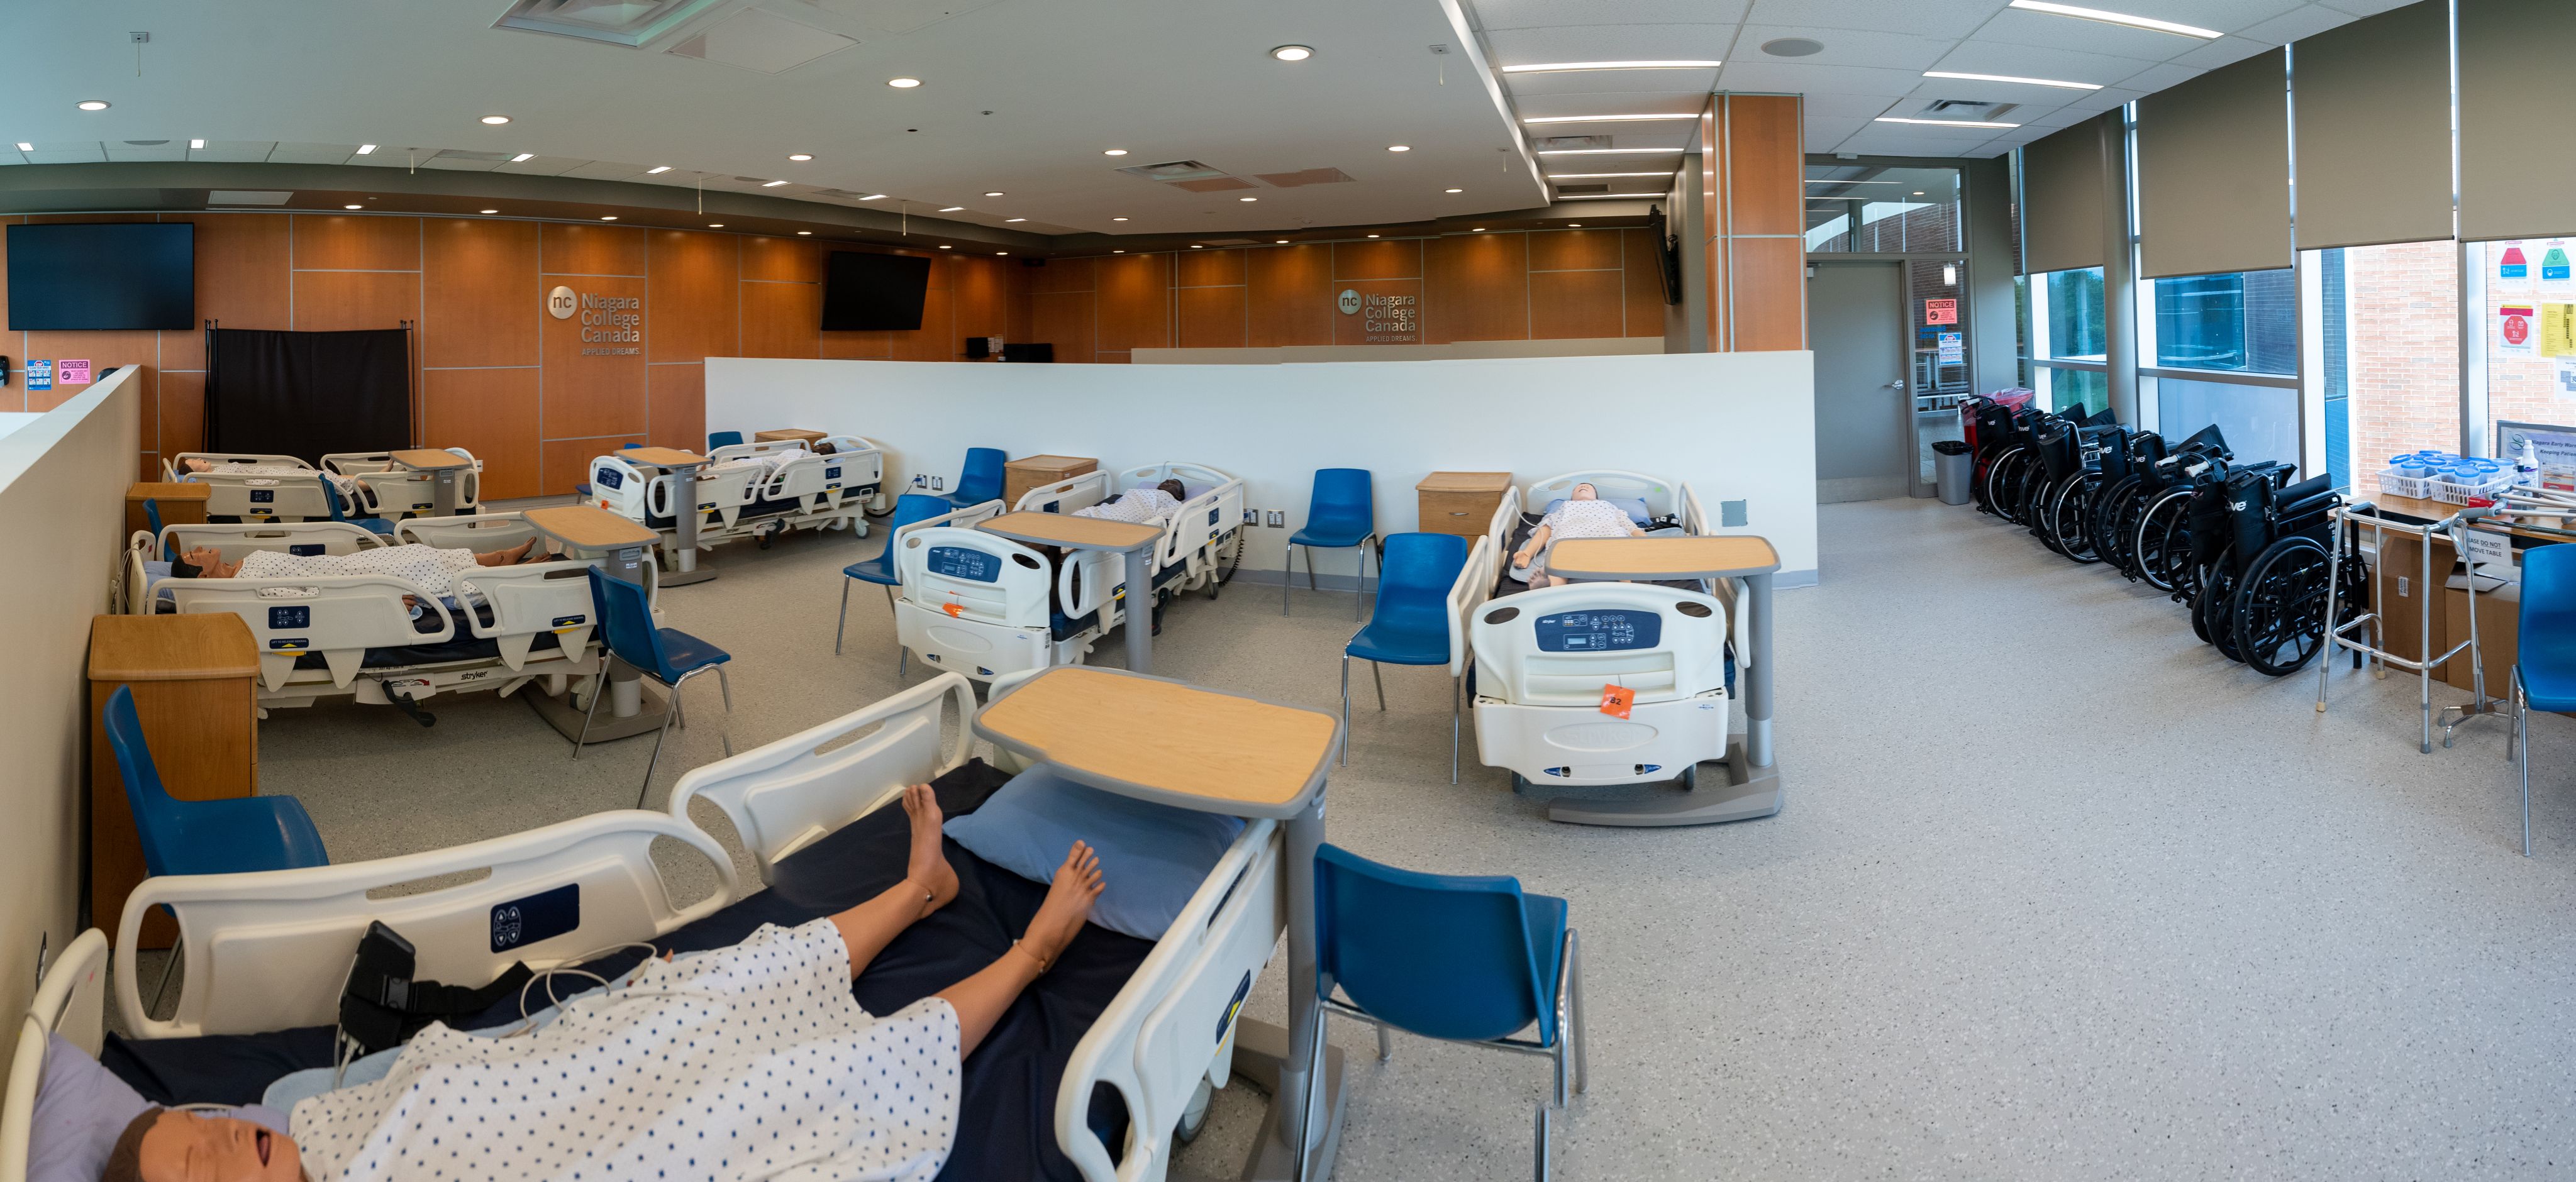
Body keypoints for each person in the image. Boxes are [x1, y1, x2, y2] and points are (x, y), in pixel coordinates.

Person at [104, 784, 1108, 1182]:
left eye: (200, 1122)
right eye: (202, 1165)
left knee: (734, 975)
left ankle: (916, 891)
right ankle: (1030, 957)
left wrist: (608, 1010)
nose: (230, 1132)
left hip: (579, 1068)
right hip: (639, 1146)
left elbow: (473, 1065)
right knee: (824, 1078)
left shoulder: (308, 1121)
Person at [169, 538, 553, 598]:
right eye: (193, 556)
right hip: (349, 582)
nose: (199, 549)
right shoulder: (248, 587)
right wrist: (373, 599)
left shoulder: (243, 564)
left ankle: (497, 557)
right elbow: (310, 599)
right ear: (202, 577)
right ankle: (512, 572)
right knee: (423, 566)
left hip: (346, 563)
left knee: (418, 549)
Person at [1512, 482, 1645, 588]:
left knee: (1621, 548)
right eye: (1577, 488)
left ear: (1597, 496)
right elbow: (1545, 530)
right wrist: (1527, 553)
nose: (1583, 486)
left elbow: (1630, 527)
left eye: (1589, 487)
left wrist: (1649, 544)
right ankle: (1553, 586)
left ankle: (1628, 586)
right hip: (1570, 537)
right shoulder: (1564, 507)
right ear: (1572, 497)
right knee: (1559, 553)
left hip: (1608, 535)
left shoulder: (1609, 507)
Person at [1074, 478, 1189, 525]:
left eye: (1172, 484)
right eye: (1165, 481)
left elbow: (1166, 516)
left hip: (1132, 515)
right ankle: (1062, 547)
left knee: (1109, 526)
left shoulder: (1174, 502)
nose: (1166, 482)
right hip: (1118, 508)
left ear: (1179, 495)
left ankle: (1069, 551)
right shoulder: (1139, 492)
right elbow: (1123, 500)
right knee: (1080, 516)